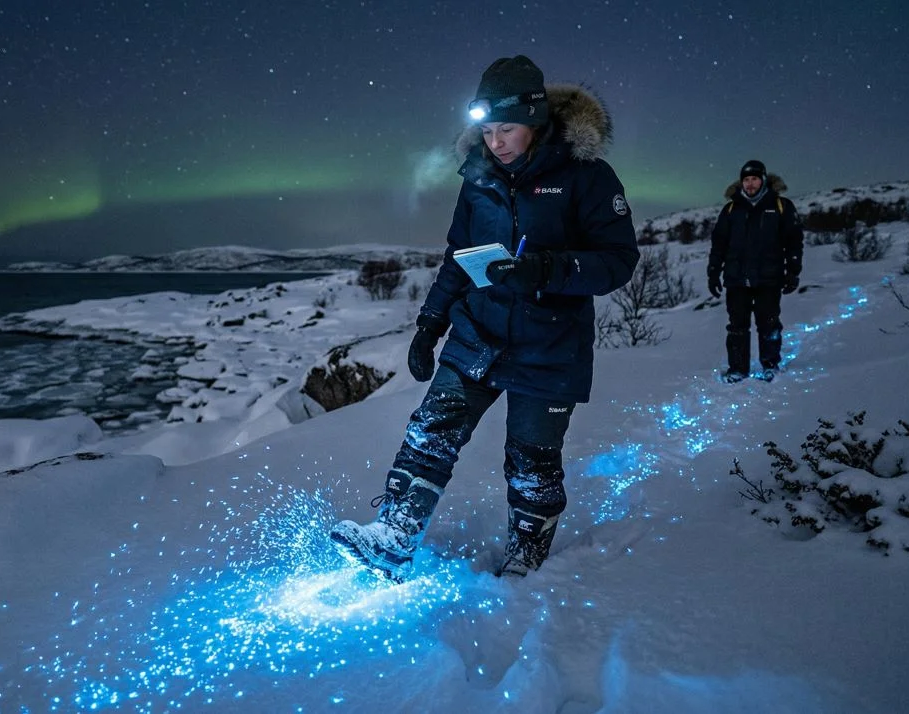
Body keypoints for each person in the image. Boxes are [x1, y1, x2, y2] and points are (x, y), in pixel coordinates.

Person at [330, 55, 639, 580]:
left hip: (550, 343)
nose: (496, 142)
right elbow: (458, 256)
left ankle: (527, 550)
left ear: (536, 122)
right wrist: (431, 323)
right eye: (489, 130)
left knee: (532, 458)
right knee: (431, 430)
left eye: (508, 129)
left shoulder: (587, 176)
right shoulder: (477, 178)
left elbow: (617, 261)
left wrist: (545, 270)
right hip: (479, 330)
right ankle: (395, 532)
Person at [706, 160, 805, 383]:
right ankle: (737, 369)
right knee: (737, 327)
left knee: (769, 324)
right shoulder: (731, 209)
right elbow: (719, 243)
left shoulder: (781, 206)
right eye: (746, 179)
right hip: (736, 279)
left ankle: (770, 365)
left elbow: (794, 241)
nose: (750, 184)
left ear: (763, 180)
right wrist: (713, 272)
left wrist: (793, 271)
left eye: (755, 179)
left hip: (769, 278)